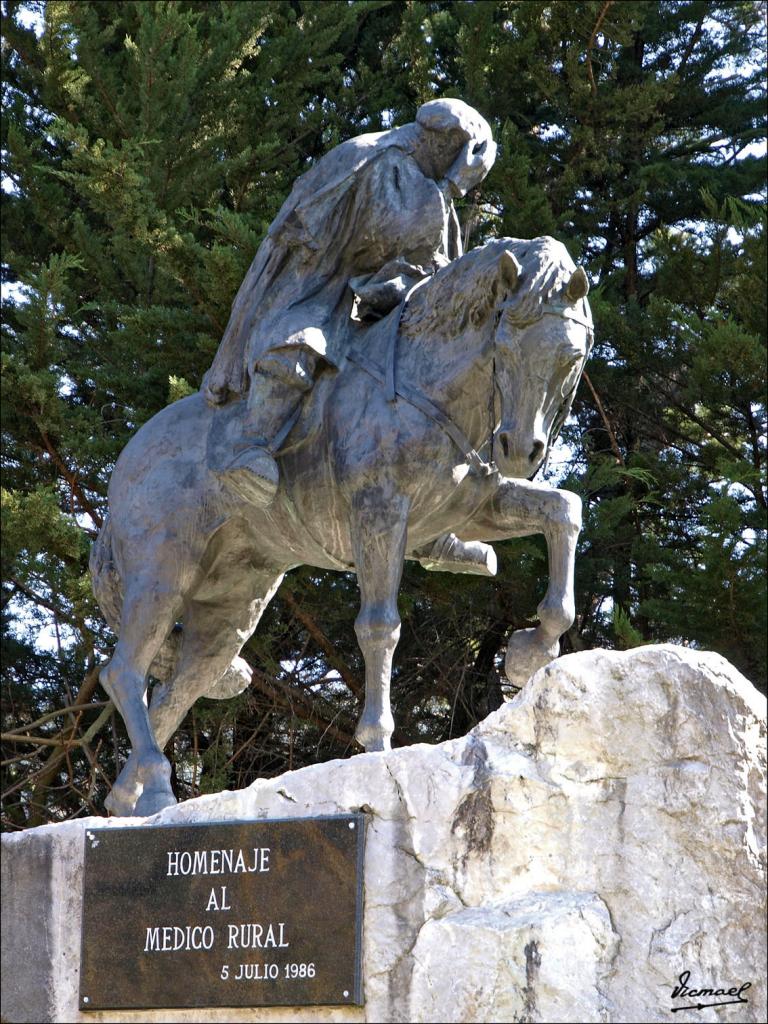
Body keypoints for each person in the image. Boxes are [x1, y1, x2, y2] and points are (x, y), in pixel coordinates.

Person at [203, 98, 496, 510]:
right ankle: (249, 443)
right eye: (461, 158)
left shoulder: (427, 182)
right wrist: (448, 187)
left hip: (369, 295)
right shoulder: (377, 160)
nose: (461, 172)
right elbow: (385, 234)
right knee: (301, 345)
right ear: (444, 142)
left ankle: (431, 504)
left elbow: (433, 261)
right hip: (318, 286)